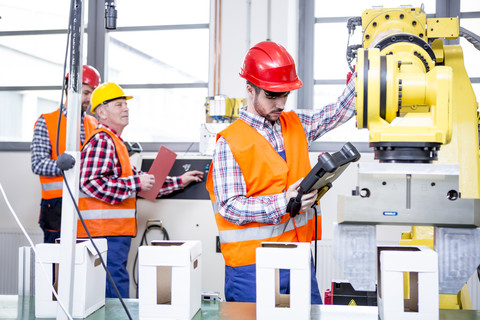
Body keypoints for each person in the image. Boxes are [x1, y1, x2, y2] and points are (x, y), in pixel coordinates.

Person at [206, 41, 356, 303]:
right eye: (272, 96)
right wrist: (283, 202)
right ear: (250, 90)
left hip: (298, 257)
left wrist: (367, 71)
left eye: (285, 94)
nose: (280, 103)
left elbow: (338, 111)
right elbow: (229, 207)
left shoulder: (295, 124)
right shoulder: (229, 143)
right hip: (251, 266)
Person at [78, 82, 204, 298]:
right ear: (102, 112)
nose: (126, 108)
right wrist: (135, 184)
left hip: (112, 233)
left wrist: (180, 181)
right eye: (119, 105)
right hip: (102, 233)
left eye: (125, 104)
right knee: (112, 293)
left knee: (114, 288)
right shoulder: (102, 141)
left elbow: (142, 180)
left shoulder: (115, 143)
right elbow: (90, 183)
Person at [31, 65, 101, 243]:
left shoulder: (94, 123)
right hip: (57, 206)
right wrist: (60, 164)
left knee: (84, 262)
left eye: (92, 93)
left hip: (87, 203)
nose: (89, 99)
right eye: (86, 93)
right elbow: (37, 164)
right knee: (56, 263)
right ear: (70, 89)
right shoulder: (46, 122)